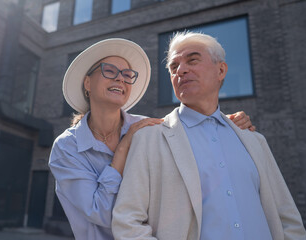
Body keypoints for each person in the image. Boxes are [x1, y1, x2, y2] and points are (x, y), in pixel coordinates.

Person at [49, 38, 255, 240]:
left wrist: (222, 123)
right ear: (87, 83)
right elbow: (102, 213)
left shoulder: (149, 128)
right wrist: (124, 147)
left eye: (127, 74)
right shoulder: (67, 147)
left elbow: (191, 137)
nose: (120, 78)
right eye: (110, 71)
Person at [111, 32, 306, 240]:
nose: (181, 70)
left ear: (221, 70)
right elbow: (127, 222)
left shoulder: (253, 139)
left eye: (192, 60)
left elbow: (287, 218)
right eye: (174, 67)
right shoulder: (149, 139)